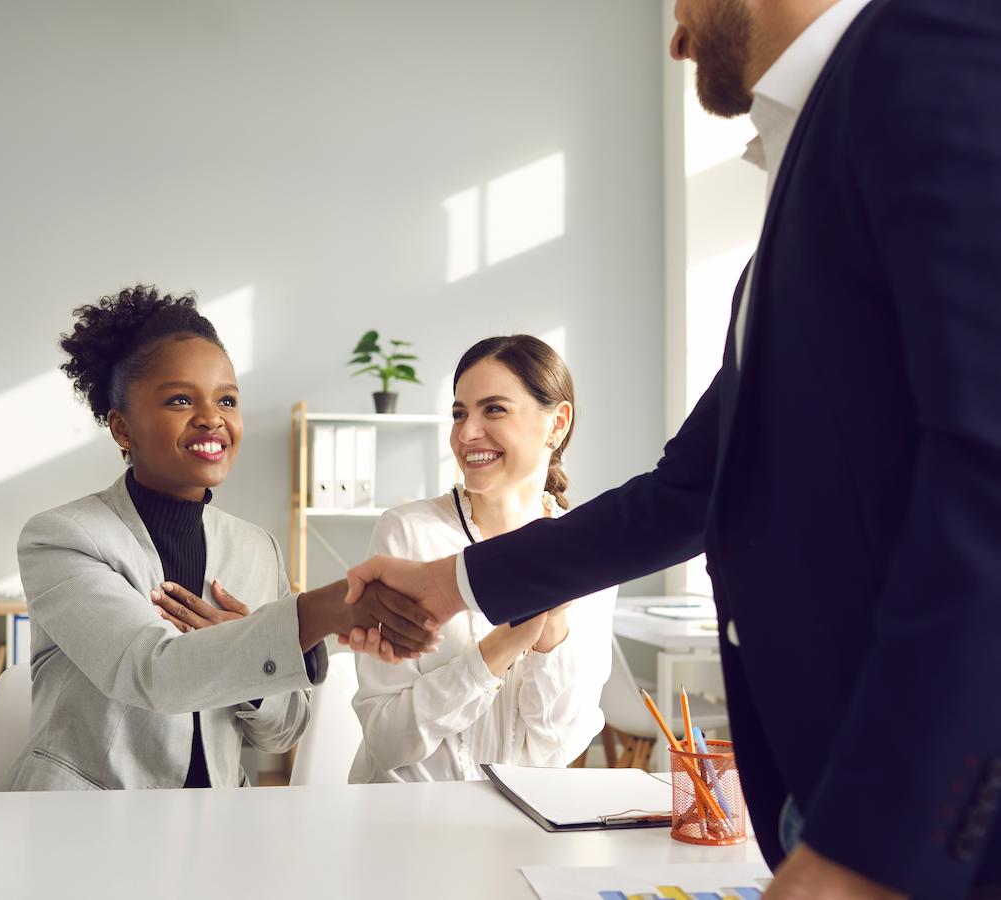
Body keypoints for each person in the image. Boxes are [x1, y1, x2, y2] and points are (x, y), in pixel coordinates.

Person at [344, 1, 1001, 896]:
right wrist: (452, 583)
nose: (677, 35)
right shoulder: (814, 168)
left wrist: (872, 845)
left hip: (926, 820)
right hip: (834, 800)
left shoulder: (932, 49)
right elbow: (687, 493)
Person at [1, 286, 437, 792]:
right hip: (85, 819)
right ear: (122, 428)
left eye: (227, 399)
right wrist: (319, 612)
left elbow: (283, 732)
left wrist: (252, 657)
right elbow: (151, 673)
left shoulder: (257, 549)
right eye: (180, 400)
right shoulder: (62, 538)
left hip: (217, 818)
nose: (213, 418)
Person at [348, 335, 616, 783]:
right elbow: (387, 740)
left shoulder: (590, 554)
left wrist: (551, 631)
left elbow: (558, 748)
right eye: (459, 414)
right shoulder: (408, 534)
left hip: (522, 817)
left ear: (557, 423)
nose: (466, 433)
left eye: (493, 409)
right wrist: (504, 644)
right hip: (404, 816)